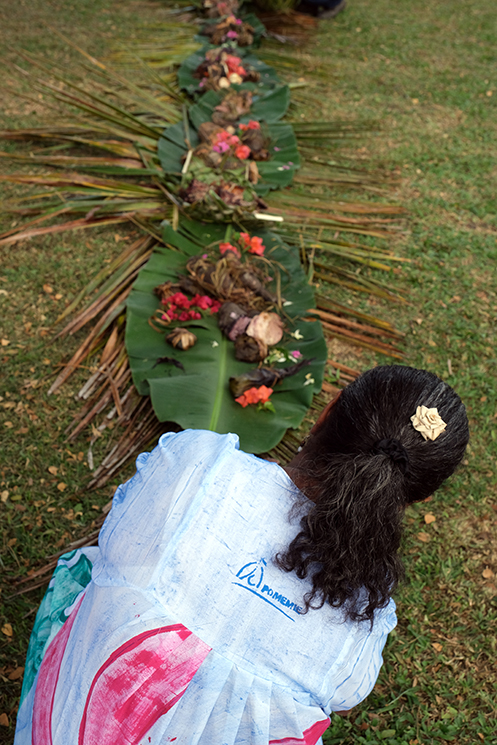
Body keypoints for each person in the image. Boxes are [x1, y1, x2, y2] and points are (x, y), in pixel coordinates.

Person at [15, 365, 469, 745]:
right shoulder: (358, 640)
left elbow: (119, 531)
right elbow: (339, 698)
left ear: (326, 413)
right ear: (416, 498)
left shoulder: (194, 468)